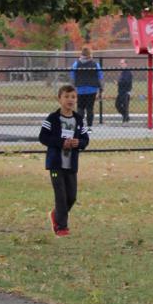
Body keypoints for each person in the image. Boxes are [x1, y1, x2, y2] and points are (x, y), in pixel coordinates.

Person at [38, 83, 89, 236]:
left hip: (71, 165)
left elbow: (85, 139)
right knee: (61, 196)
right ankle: (61, 227)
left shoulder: (79, 120)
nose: (70, 100)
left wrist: (79, 143)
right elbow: (43, 137)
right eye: (66, 97)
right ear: (59, 99)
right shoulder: (52, 118)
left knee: (71, 197)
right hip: (56, 165)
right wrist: (61, 142)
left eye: (73, 97)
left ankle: (56, 214)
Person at [70, 52, 103, 127]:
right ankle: (89, 127)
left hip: (80, 89)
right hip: (92, 89)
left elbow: (72, 76)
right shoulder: (95, 64)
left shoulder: (76, 64)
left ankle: (80, 126)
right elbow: (100, 76)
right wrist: (101, 88)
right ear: (90, 55)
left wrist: (74, 86)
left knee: (80, 107)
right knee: (90, 108)